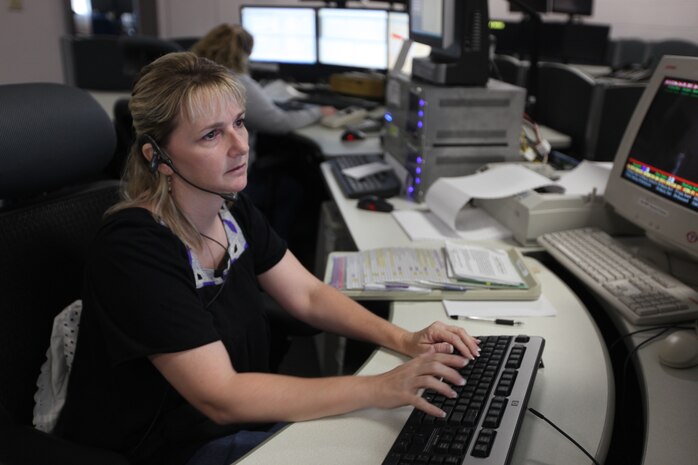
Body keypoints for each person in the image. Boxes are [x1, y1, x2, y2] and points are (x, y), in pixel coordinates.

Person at [53, 52, 480, 465]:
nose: (241, 145)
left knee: (395, 432)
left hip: (240, 418)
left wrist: (403, 340)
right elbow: (221, 397)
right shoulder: (133, 250)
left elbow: (309, 296)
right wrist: (377, 386)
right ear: (157, 157)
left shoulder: (230, 208)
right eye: (212, 135)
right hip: (172, 445)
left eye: (239, 122)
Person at [190, 24, 337, 265]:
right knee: (295, 185)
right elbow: (278, 122)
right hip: (232, 179)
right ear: (243, 53)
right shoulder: (237, 82)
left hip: (204, 179)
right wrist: (318, 112)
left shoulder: (193, 80)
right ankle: (273, 254)